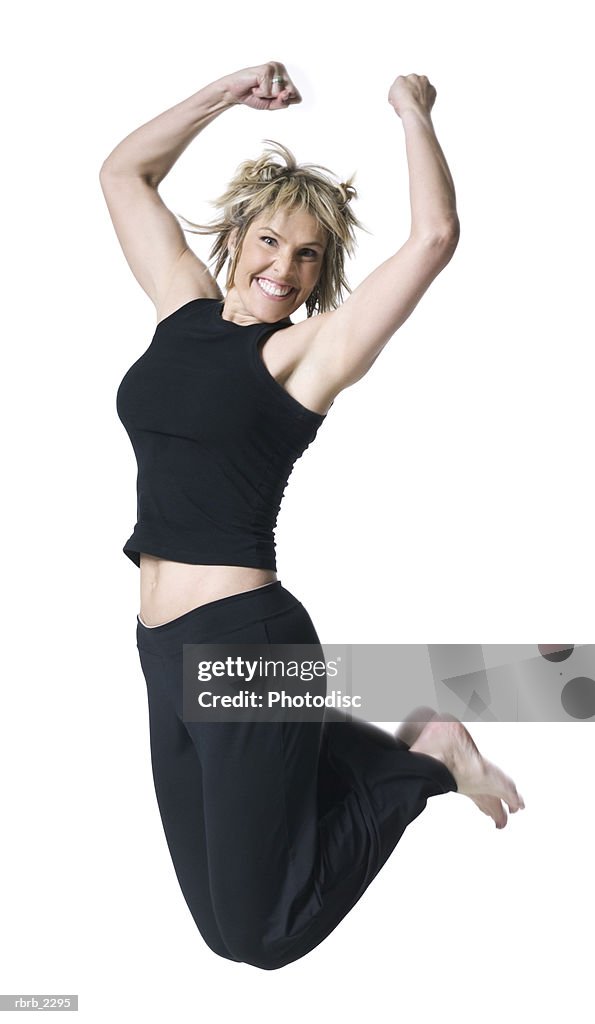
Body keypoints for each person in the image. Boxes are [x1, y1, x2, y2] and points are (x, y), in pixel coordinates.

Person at [99, 61, 525, 971]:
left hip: (247, 641)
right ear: (236, 239)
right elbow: (122, 174)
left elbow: (434, 236)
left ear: (322, 274)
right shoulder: (180, 310)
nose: (280, 269)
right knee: (223, 928)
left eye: (306, 257)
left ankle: (426, 762)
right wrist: (225, 92)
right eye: (267, 242)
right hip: (161, 649)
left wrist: (411, 111)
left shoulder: (308, 356)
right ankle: (368, 744)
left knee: (264, 934)